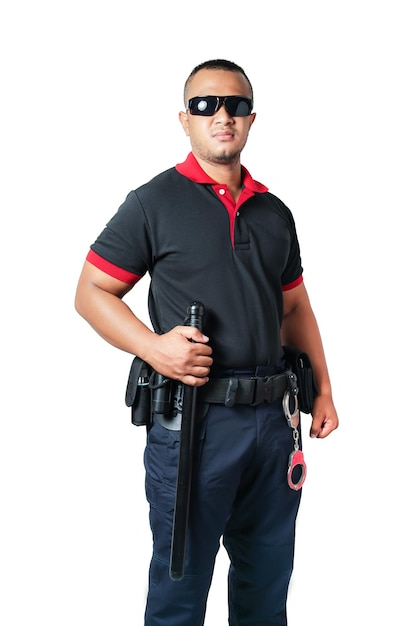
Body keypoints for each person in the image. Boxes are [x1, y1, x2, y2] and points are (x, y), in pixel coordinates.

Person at [75, 59, 339, 626]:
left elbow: (294, 307)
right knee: (180, 590)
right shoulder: (153, 203)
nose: (222, 115)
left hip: (274, 423)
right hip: (196, 424)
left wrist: (323, 392)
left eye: (236, 105)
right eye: (206, 105)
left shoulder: (274, 212)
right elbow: (92, 291)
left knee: (266, 590)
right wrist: (153, 347)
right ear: (184, 119)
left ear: (250, 118)